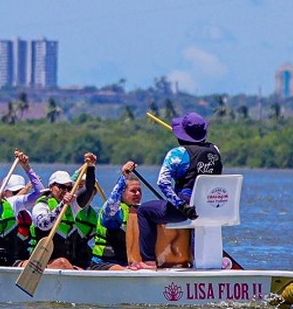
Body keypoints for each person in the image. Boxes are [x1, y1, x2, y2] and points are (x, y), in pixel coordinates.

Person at [135, 112, 223, 267]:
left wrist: (181, 205)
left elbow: (163, 183)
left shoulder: (177, 153)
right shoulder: (215, 151)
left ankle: (148, 261)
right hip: (212, 209)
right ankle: (205, 260)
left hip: (186, 210)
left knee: (144, 211)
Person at [29, 153, 100, 269]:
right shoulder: (41, 205)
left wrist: (91, 167)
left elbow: (88, 190)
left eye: (68, 188)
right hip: (43, 262)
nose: (65, 191)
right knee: (62, 262)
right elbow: (43, 224)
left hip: (67, 263)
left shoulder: (71, 207)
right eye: (61, 187)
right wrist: (62, 205)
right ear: (51, 187)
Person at [89, 161, 142, 270]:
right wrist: (124, 176)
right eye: (133, 191)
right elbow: (112, 202)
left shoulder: (140, 212)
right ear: (122, 193)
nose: (137, 194)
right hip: (103, 263)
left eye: (139, 191)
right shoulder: (115, 211)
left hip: (127, 263)